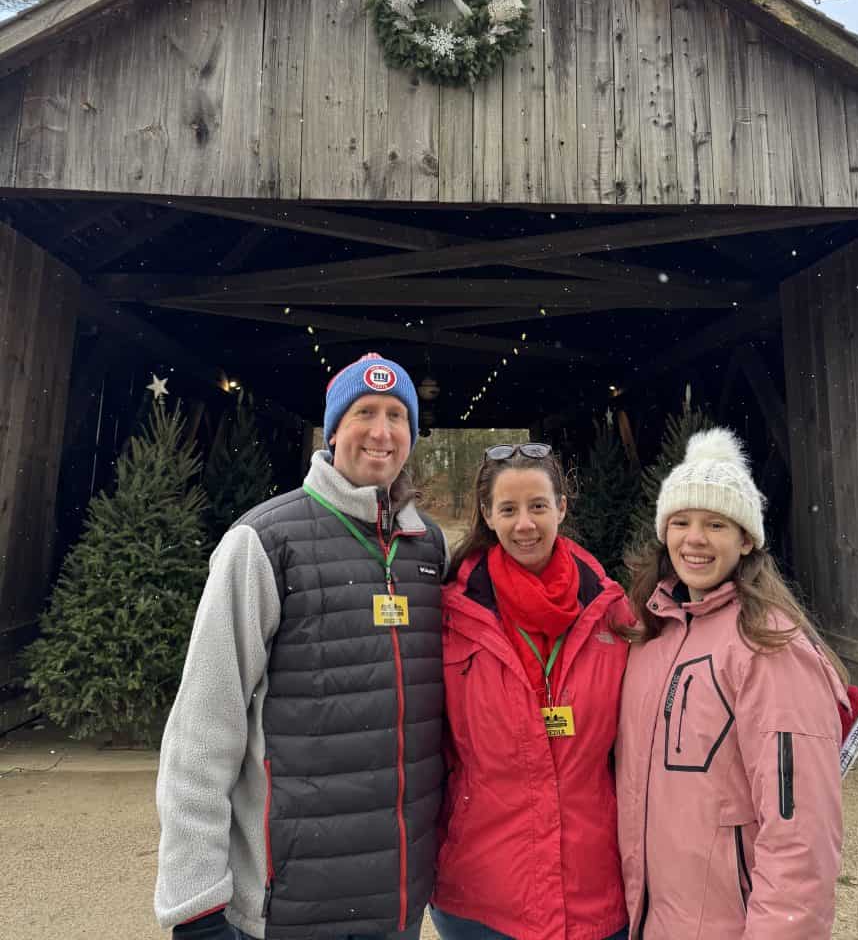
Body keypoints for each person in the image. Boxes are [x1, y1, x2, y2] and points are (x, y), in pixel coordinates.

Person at [155, 354, 448, 940]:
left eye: (397, 416)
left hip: (395, 907)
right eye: (364, 412)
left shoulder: (427, 547)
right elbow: (203, 726)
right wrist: (193, 901)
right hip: (288, 907)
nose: (381, 431)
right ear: (333, 429)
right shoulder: (263, 541)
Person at [615, 428, 849, 940]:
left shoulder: (771, 648)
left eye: (716, 524)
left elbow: (801, 836)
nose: (694, 539)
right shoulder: (650, 634)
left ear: (746, 540)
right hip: (654, 921)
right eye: (681, 522)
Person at [431, 442, 631, 940]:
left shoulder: (612, 614)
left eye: (538, 506)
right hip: (483, 890)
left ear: (561, 507)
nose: (525, 524)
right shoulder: (451, 616)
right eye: (509, 509)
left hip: (592, 887)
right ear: (487, 516)